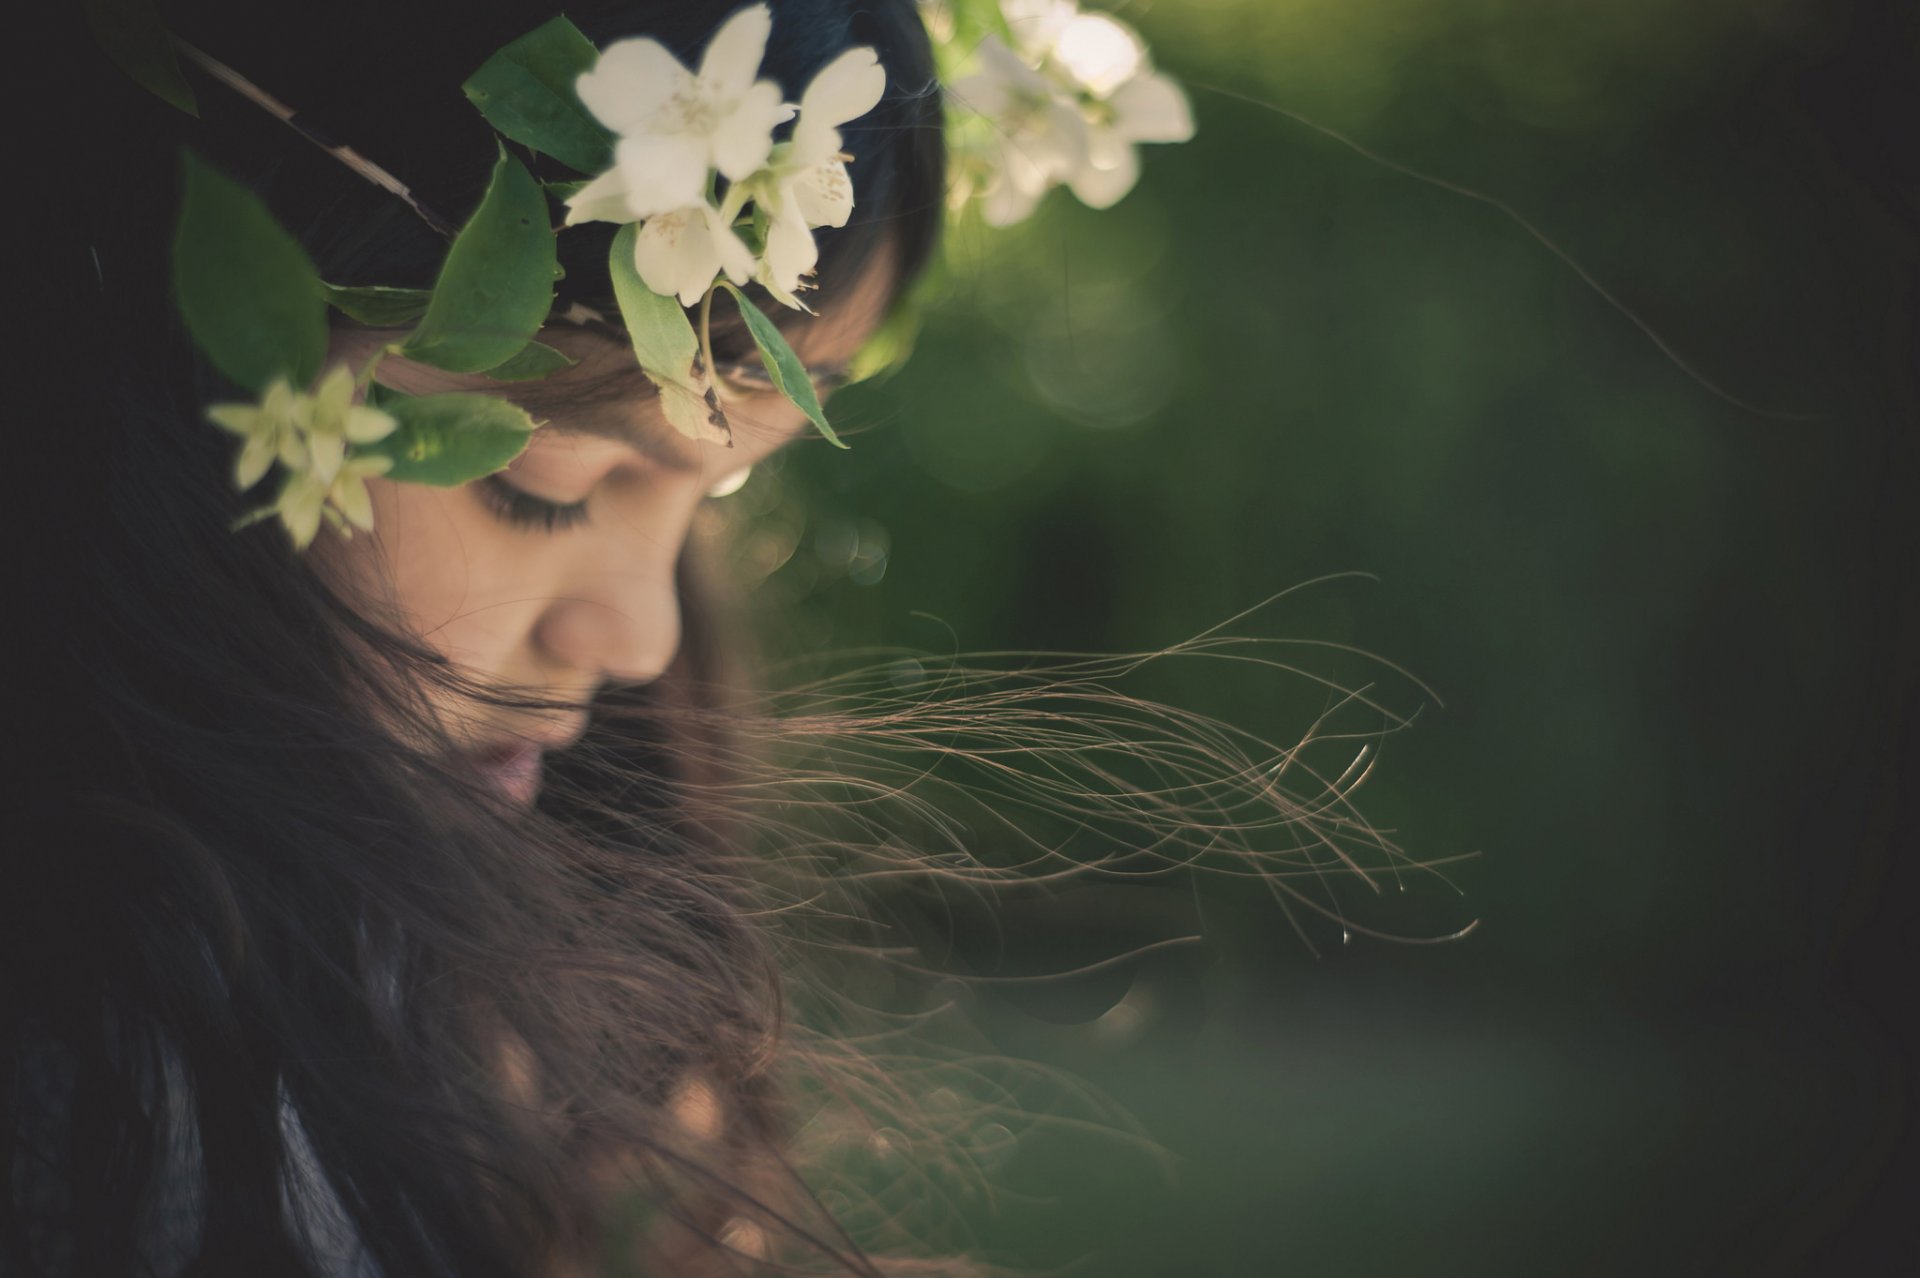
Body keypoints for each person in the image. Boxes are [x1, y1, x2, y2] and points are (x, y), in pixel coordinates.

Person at [11, 1, 952, 1274]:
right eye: (545, 483)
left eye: (720, 492)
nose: (638, 635)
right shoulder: (102, 1098)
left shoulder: (347, 984)